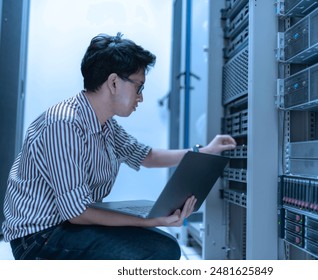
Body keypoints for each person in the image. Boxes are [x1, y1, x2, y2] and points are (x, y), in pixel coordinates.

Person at [2, 32, 236, 260]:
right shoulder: (64, 123)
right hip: (38, 239)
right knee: (159, 252)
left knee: (165, 245)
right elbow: (78, 213)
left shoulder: (106, 126)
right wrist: (149, 220)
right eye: (139, 87)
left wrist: (205, 151)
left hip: (67, 227)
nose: (141, 97)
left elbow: (148, 156)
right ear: (113, 82)